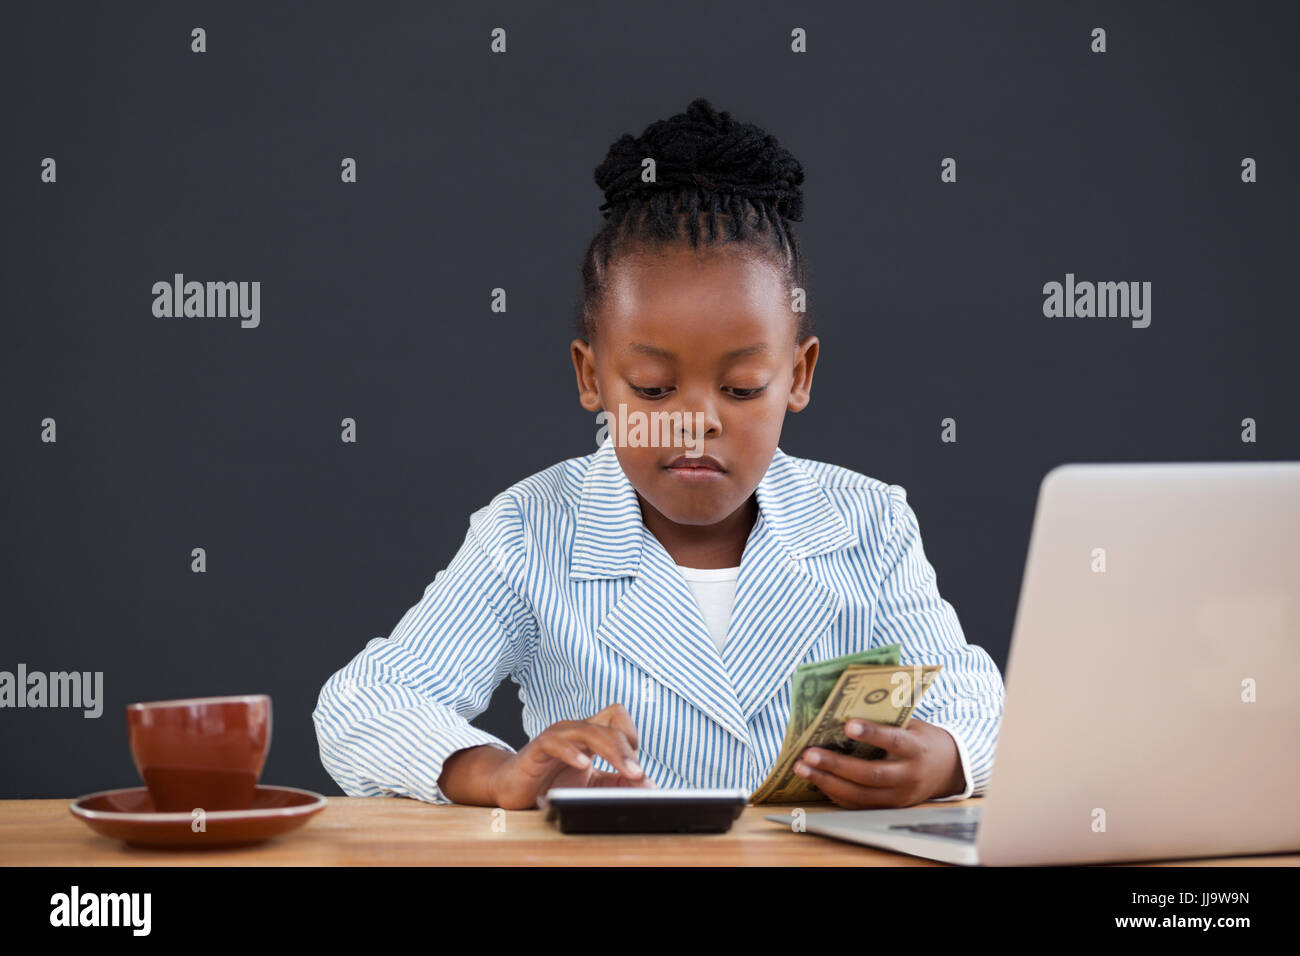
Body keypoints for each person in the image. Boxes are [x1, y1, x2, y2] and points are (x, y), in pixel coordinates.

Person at [313, 98, 1004, 810]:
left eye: (740, 388)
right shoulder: (527, 533)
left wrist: (945, 758)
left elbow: (976, 696)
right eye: (652, 388)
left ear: (798, 376)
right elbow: (363, 706)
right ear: (592, 377)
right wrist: (493, 772)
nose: (695, 422)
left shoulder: (868, 524)